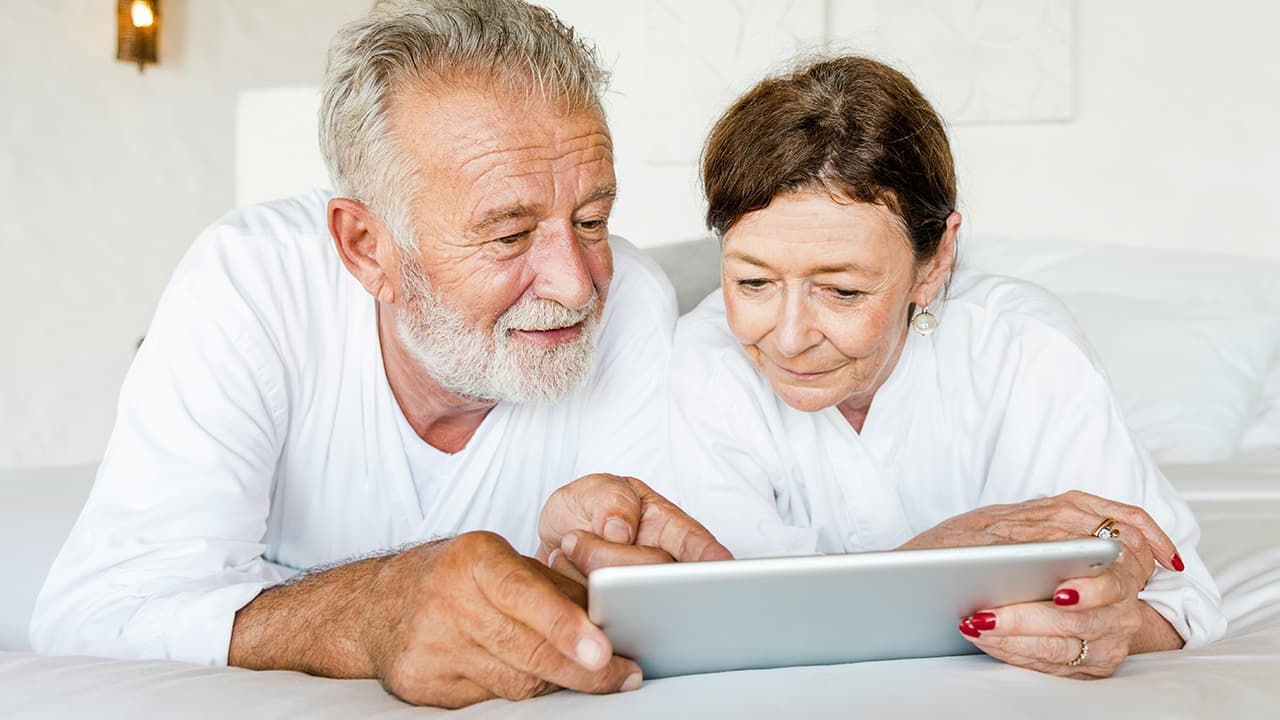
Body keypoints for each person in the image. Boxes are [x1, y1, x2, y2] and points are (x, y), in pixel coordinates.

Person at [30, 0, 728, 708]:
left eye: (592, 221)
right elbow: (94, 614)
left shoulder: (632, 300)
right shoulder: (251, 281)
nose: (577, 283)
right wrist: (370, 612)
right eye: (509, 236)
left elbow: (646, 616)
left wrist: (611, 579)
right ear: (367, 248)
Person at [670, 55, 1227, 678]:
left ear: (935, 261)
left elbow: (1183, 601)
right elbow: (732, 619)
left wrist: (1115, 621)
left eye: (843, 292)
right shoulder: (701, 362)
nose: (791, 337)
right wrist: (948, 551)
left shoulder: (1023, 350)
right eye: (752, 281)